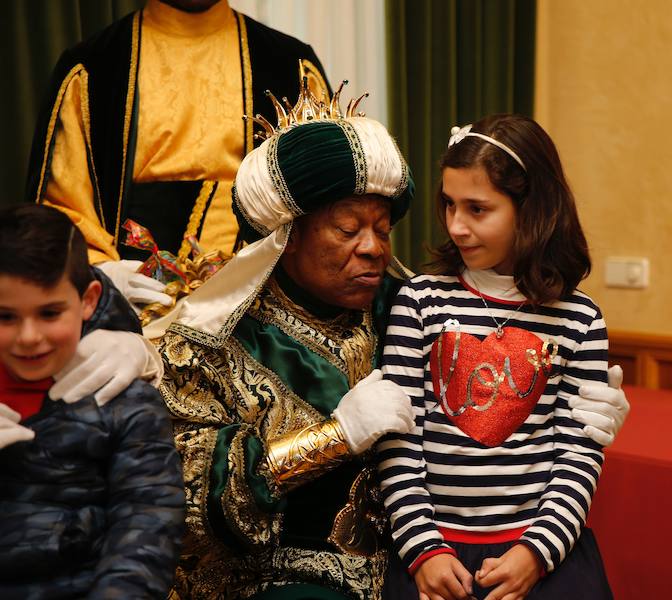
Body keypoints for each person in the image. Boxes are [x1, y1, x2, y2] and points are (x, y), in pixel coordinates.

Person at [155, 87, 417, 599]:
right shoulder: (208, 343)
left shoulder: (407, 312)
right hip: (275, 576)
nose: (372, 248)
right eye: (347, 229)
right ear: (287, 236)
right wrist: (332, 438)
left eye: (382, 230)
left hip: (417, 559)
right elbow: (187, 502)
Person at [378, 114, 619, 600]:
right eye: (448, 205)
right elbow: (397, 441)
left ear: (532, 210)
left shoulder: (580, 318)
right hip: (432, 552)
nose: (456, 226)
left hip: (539, 553)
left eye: (478, 209)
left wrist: (537, 553)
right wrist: (423, 550)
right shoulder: (420, 300)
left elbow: (578, 454)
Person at [25, 0, 330, 309]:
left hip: (268, 312)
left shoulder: (291, 66)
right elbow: (62, 209)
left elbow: (326, 201)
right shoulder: (92, 68)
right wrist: (106, 274)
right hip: (132, 311)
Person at [0, 204, 185, 597]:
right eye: (5, 317)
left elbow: (147, 527)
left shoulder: (127, 403)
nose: (29, 336)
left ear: (88, 301)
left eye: (50, 313)